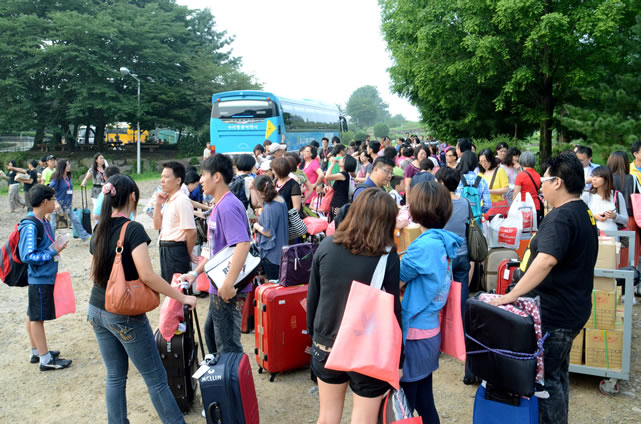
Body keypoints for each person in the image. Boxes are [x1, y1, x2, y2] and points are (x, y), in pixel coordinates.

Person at [491, 153, 598, 424]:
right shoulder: (583, 212)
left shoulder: (561, 217)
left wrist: (512, 295)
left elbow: (546, 260)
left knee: (546, 382)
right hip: (573, 308)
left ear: (558, 182)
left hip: (555, 315)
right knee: (558, 375)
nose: (541, 187)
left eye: (545, 181)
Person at [88, 175, 197, 423]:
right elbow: (147, 276)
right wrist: (182, 297)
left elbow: (94, 272)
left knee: (115, 376)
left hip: (96, 309)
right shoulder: (133, 229)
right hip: (124, 314)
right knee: (156, 378)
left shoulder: (99, 228)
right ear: (132, 197)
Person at [307, 188, 403, 424]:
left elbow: (313, 298)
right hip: (365, 347)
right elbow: (393, 312)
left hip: (326, 342)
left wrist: (315, 335)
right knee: (364, 419)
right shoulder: (387, 256)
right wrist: (398, 359)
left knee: (327, 416)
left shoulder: (327, 246)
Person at [400, 181, 462, 421]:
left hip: (414, 334)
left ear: (416, 210)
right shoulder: (443, 241)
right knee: (425, 402)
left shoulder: (423, 246)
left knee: (405, 407)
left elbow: (394, 280)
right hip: (430, 331)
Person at [180, 154, 251, 354]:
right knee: (212, 334)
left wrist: (228, 283)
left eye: (204, 175)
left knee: (227, 345)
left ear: (217, 176)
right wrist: (195, 274)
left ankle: (230, 374)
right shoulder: (220, 205)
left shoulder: (227, 206)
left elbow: (243, 244)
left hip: (225, 286)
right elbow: (215, 250)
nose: (200, 180)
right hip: (218, 284)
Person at [20, 185, 71, 370]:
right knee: (37, 318)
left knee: (32, 313)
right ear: (44, 202)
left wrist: (54, 247)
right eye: (53, 200)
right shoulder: (31, 225)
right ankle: (45, 359)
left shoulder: (42, 221)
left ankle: (36, 351)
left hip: (42, 276)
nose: (55, 204)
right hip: (39, 278)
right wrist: (52, 252)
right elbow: (27, 256)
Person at [153, 161, 196, 283]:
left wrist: (188, 252)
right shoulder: (168, 200)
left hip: (176, 249)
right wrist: (158, 204)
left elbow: (191, 231)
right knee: (169, 286)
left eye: (166, 177)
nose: (162, 180)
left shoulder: (182, 200)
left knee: (177, 288)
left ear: (178, 180)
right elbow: (157, 226)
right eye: (161, 176)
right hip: (165, 248)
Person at [252, 175, 288, 280]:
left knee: (274, 284)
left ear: (260, 192)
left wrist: (256, 226)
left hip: (272, 254)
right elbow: (263, 203)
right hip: (281, 251)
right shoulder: (280, 199)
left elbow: (268, 232)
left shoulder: (270, 207)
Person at [49, 159, 91, 241]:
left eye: (69, 164)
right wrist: (55, 202)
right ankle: (50, 240)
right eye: (67, 165)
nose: (69, 166)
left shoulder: (68, 177)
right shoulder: (57, 178)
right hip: (57, 204)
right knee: (53, 224)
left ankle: (84, 236)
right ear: (62, 166)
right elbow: (51, 190)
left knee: (75, 220)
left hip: (67, 204)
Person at [581, 166, 627, 233]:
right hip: (593, 235)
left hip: (613, 235)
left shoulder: (617, 195)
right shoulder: (587, 195)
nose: (594, 179)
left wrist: (615, 216)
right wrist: (594, 217)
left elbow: (625, 219)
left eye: (597, 176)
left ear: (606, 178)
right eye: (592, 176)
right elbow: (580, 216)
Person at [324, 155, 357, 220]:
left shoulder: (344, 174)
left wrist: (332, 164)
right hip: (336, 206)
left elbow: (327, 176)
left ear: (346, 163)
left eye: (343, 158)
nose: (340, 159)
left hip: (338, 207)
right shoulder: (343, 174)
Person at [514, 151, 543, 222]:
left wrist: (513, 207)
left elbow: (516, 194)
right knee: (535, 228)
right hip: (536, 207)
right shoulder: (538, 175)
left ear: (521, 161)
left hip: (523, 208)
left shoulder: (520, 176)